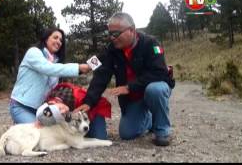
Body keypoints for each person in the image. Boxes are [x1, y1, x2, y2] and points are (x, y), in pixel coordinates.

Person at [74, 12, 175, 146]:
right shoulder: (112, 50)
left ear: (132, 30)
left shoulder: (151, 44)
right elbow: (100, 73)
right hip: (134, 98)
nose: (112, 38)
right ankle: (150, 120)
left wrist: (129, 87)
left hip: (152, 90)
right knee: (127, 134)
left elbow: (159, 72)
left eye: (116, 34)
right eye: (109, 34)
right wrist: (89, 101)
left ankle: (162, 131)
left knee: (155, 90)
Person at [9, 28, 91, 124]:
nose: (59, 42)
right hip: (20, 106)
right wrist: (79, 68)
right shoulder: (34, 52)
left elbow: (52, 89)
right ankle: (20, 129)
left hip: (40, 110)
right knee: (38, 133)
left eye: (61, 40)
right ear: (46, 39)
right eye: (55, 38)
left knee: (55, 133)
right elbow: (48, 68)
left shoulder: (55, 62)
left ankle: (21, 129)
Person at [35, 82, 111, 140]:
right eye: (61, 114)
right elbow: (46, 114)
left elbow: (98, 102)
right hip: (78, 118)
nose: (64, 111)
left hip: (93, 109)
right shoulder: (47, 104)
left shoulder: (73, 96)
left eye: (60, 108)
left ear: (54, 103)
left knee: (99, 137)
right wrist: (41, 121)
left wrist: (88, 105)